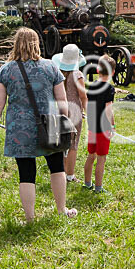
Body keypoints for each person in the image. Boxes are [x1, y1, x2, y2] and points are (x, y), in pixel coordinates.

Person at [0, 27, 77, 220]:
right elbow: (62, 100)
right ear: (37, 43)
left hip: (19, 128)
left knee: (26, 173)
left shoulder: (5, 70)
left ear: (16, 44)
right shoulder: (50, 66)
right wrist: (65, 124)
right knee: (57, 167)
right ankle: (61, 209)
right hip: (50, 125)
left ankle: (30, 218)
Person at [51, 43, 88, 183]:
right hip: (74, 112)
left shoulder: (57, 73)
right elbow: (83, 96)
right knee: (73, 144)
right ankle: (70, 175)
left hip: (58, 110)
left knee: (62, 142)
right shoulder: (77, 75)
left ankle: (61, 171)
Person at [84, 55, 116, 193]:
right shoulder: (109, 88)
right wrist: (112, 126)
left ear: (97, 70)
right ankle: (98, 188)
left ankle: (87, 183)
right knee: (101, 158)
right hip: (103, 128)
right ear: (113, 72)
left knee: (91, 155)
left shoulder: (92, 86)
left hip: (92, 127)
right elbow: (108, 110)